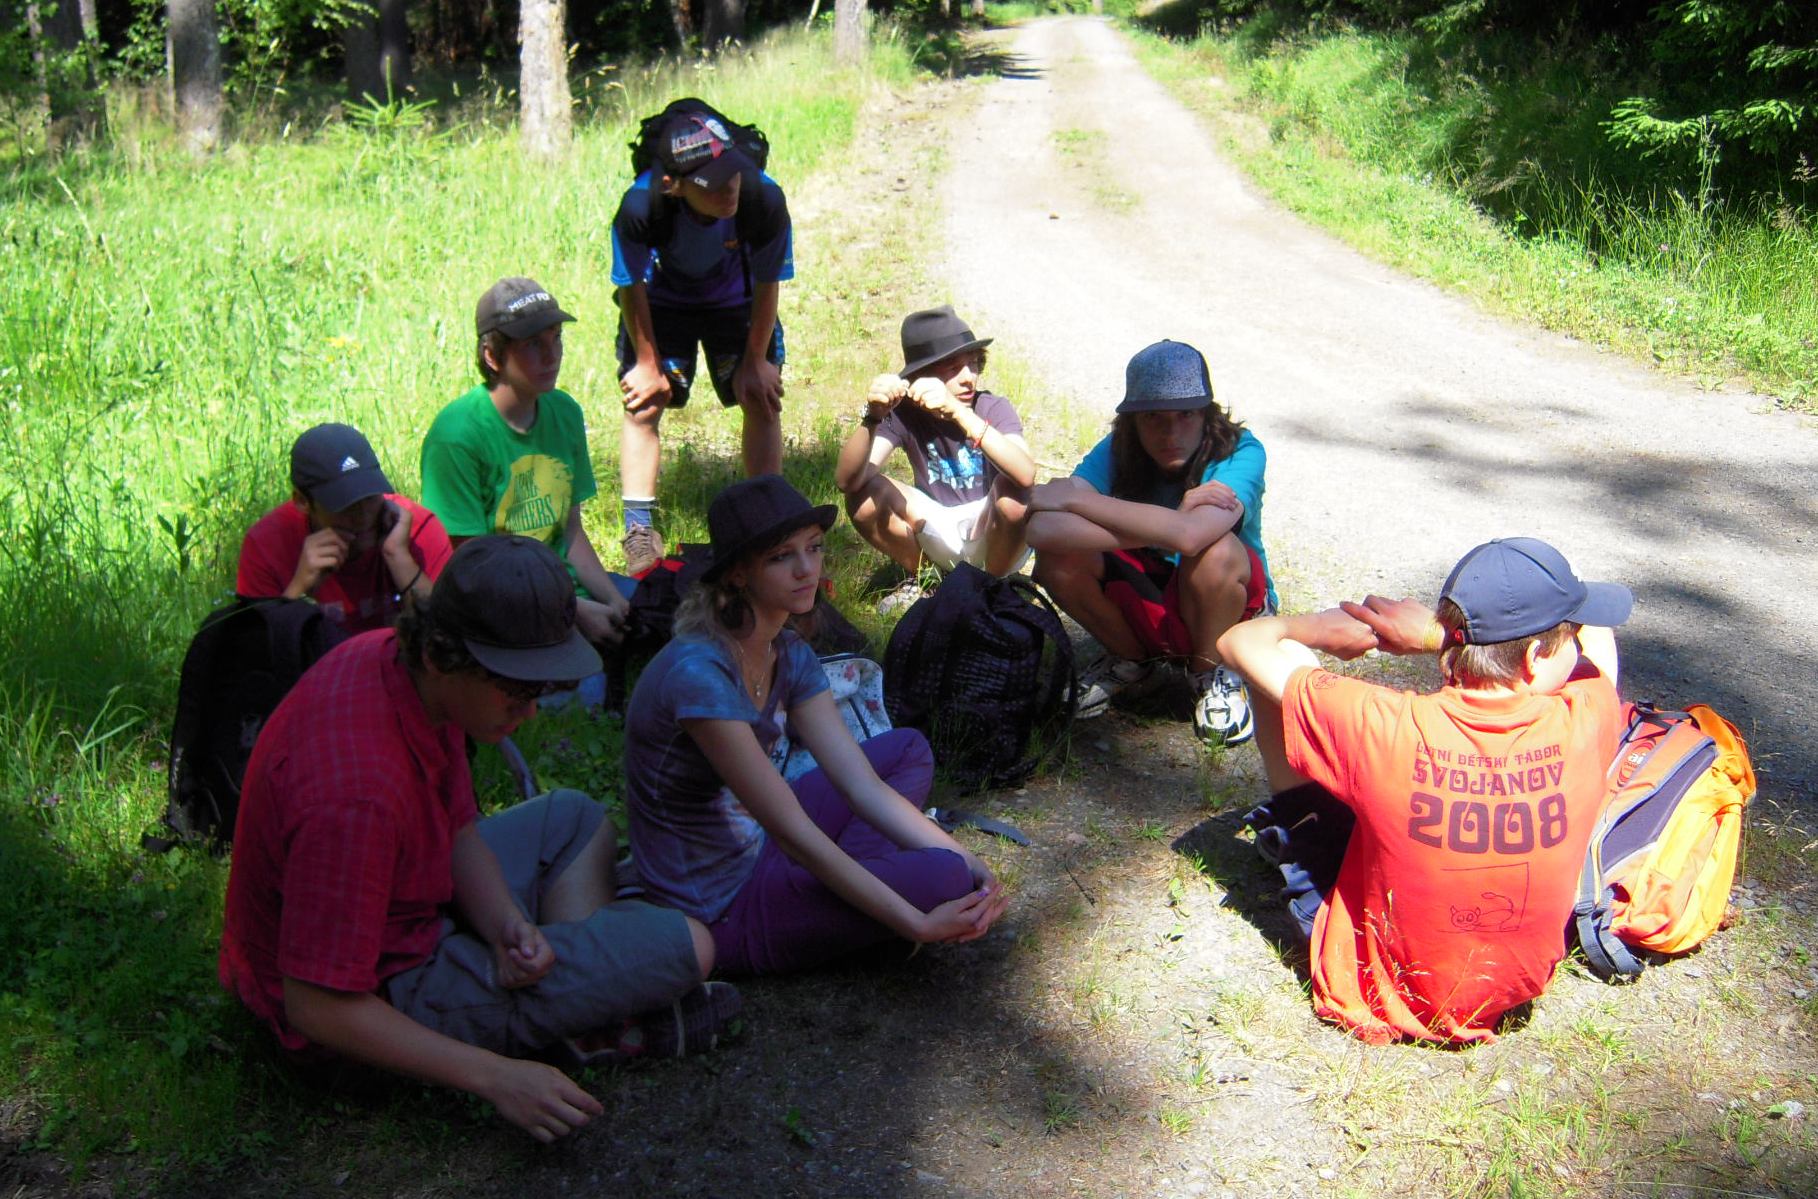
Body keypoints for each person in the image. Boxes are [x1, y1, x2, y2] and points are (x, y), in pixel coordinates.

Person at [219, 536, 739, 1142]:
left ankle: (576, 1011)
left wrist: (504, 926)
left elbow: (456, 826)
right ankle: (571, 1026)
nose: (531, 712)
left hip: (409, 901)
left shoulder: (400, 666)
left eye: (540, 690)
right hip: (375, 997)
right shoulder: (356, 794)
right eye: (517, 690)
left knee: (573, 817)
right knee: (688, 945)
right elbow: (316, 1007)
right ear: (442, 657)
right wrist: (496, 1078)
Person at [1216, 537, 1632, 1044]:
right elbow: (1599, 640)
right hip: (1510, 991)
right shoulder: (1589, 715)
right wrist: (1440, 637)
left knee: (1289, 666)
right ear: (1535, 657)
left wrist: (1318, 629)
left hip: (1372, 989)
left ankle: (1298, 830)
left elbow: (1240, 642)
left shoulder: (1384, 723)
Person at [623, 474, 1009, 976]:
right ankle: (862, 911)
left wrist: (973, 862)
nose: (807, 569)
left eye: (814, 547)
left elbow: (862, 785)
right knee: (942, 879)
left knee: (906, 751)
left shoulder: (787, 651)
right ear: (737, 574)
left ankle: (853, 905)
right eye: (781, 556)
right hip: (717, 906)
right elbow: (793, 832)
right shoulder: (700, 675)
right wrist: (914, 921)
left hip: (761, 845)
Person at [1027, 339, 1276, 746]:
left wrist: (1078, 501)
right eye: (1153, 417)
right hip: (1152, 593)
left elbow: (1193, 537)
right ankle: (1131, 659)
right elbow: (1043, 530)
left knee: (1215, 551)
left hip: (1229, 607)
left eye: (1186, 414)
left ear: (1207, 414)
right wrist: (1173, 521)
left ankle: (1211, 672)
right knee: (1059, 558)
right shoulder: (1119, 450)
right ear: (1132, 422)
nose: (1170, 433)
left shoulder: (1240, 452)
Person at [611, 102, 793, 575]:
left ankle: (769, 520)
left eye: (732, 172)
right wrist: (646, 363)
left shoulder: (762, 196)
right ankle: (639, 533)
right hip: (663, 300)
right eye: (713, 183)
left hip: (737, 299)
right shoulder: (641, 205)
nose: (730, 187)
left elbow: (769, 282)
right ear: (673, 186)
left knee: (760, 394)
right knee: (644, 401)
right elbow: (631, 285)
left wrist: (757, 360)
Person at [420, 277, 633, 650]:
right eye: (533, 344)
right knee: (582, 682)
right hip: (500, 603)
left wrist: (613, 599)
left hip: (562, 588)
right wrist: (573, 612)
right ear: (492, 356)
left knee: (668, 616)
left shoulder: (564, 411)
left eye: (556, 338)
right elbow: (472, 569)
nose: (552, 356)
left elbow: (571, 531)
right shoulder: (456, 436)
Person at [835, 305, 1034, 604]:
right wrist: (873, 416)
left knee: (1014, 494)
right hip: (937, 525)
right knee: (863, 498)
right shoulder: (904, 414)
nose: (969, 377)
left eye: (973, 363)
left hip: (991, 527)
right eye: (953, 369)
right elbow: (847, 481)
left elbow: (1026, 474)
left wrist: (960, 413)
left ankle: (990, 590)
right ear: (922, 376)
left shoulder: (992, 407)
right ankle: (929, 579)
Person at [236, 423, 451, 633]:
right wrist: (299, 590)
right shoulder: (267, 545)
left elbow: (450, 638)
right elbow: (259, 652)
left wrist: (399, 558)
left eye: (370, 496)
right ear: (302, 502)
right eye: (345, 504)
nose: (364, 516)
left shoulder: (418, 529)